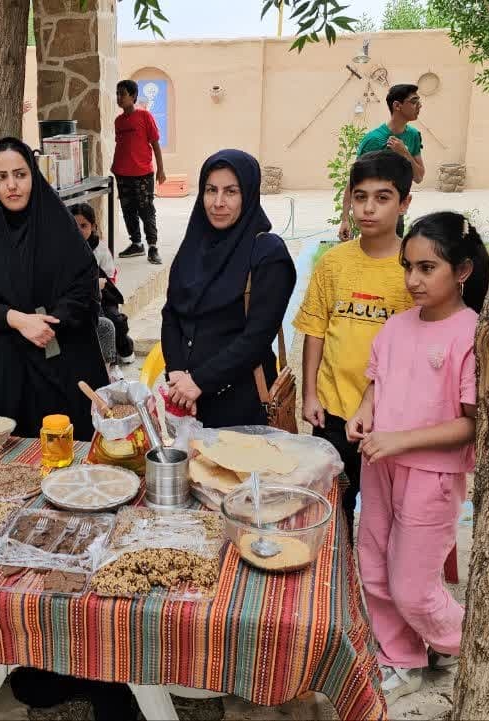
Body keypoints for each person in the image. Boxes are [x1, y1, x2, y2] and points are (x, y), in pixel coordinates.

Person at [345, 211, 489, 703]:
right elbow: (376, 384)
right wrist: (365, 414)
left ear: (463, 270)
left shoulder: (470, 334)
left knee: (412, 586)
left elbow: (471, 424)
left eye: (428, 268)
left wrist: (399, 440)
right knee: (375, 568)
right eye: (408, 267)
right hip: (380, 463)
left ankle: (466, 641)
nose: (412, 280)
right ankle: (401, 657)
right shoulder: (397, 326)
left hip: (431, 476)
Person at [295, 150, 417, 546]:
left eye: (382, 198)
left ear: (404, 204)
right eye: (359, 196)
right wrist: (310, 393)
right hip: (330, 411)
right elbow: (315, 329)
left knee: (387, 515)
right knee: (332, 506)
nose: (368, 208)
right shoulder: (333, 263)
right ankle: (337, 574)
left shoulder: (414, 270)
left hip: (389, 421)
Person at [0, 137, 109, 441]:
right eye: (1, 178)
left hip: (59, 362)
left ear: (34, 176)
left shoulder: (61, 229)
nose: (11, 186)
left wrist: (48, 322)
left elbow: (84, 289)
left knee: (64, 456)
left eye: (20, 174)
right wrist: (17, 319)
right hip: (5, 376)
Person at [161, 149, 297, 428]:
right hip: (187, 400)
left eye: (231, 192)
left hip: (242, 405)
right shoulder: (194, 246)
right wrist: (175, 370)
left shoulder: (268, 253)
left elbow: (257, 338)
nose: (218, 202)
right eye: (211, 190)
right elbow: (172, 312)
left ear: (248, 195)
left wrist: (200, 380)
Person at [338, 83, 426, 241]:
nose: (419, 105)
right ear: (397, 106)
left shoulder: (413, 135)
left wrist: (404, 152)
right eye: (413, 101)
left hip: (396, 212)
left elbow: (419, 177)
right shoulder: (374, 140)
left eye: (419, 101)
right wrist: (345, 219)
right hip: (373, 213)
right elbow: (353, 180)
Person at [71, 202, 135, 366]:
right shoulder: (66, 248)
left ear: (93, 226)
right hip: (77, 297)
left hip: (102, 295)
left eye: (83, 225)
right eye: (74, 225)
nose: (79, 230)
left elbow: (110, 276)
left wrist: (97, 288)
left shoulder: (99, 248)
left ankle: (124, 349)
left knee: (113, 320)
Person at [112, 79, 166, 265]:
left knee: (146, 209)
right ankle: (136, 243)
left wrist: (161, 169)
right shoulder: (118, 121)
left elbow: (155, 143)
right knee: (128, 210)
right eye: (117, 94)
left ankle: (152, 246)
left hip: (143, 173)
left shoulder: (144, 116)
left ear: (133, 96)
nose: (119, 98)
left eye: (123, 94)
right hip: (122, 173)